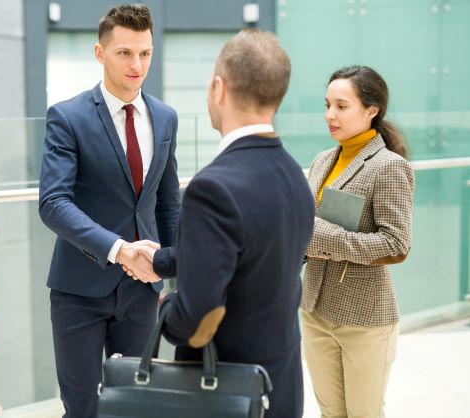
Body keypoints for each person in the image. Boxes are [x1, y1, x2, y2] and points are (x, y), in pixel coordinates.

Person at [128, 29, 315, 418]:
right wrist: (162, 259)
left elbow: (196, 321)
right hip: (280, 385)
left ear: (219, 88)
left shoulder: (212, 187)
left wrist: (167, 307)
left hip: (226, 392)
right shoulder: (294, 175)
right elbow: (250, 252)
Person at [38, 4, 180, 417]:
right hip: (79, 289)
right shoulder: (67, 117)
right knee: (82, 407)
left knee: (136, 404)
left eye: (145, 53)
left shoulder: (166, 118)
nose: (137, 64)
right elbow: (53, 203)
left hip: (143, 291)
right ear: (100, 53)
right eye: (124, 53)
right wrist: (119, 249)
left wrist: (172, 270)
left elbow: (168, 204)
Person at [300, 65, 414, 418]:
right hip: (314, 309)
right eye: (327, 105)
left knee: (364, 413)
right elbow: (305, 233)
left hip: (364, 317)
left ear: (371, 110)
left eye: (341, 106)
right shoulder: (322, 161)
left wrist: (318, 233)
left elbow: (396, 244)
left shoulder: (388, 166)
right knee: (330, 412)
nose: (330, 115)